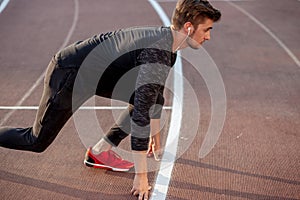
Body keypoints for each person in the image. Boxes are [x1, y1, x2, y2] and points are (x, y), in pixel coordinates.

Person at [0, 0, 221, 199]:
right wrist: (141, 176)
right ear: (189, 28)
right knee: (36, 141)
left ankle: (99, 152)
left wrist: (157, 138)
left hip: (95, 76)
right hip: (70, 73)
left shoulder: (168, 46)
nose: (209, 36)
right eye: (206, 30)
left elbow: (155, 95)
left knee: (152, 98)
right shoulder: (158, 52)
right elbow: (142, 115)